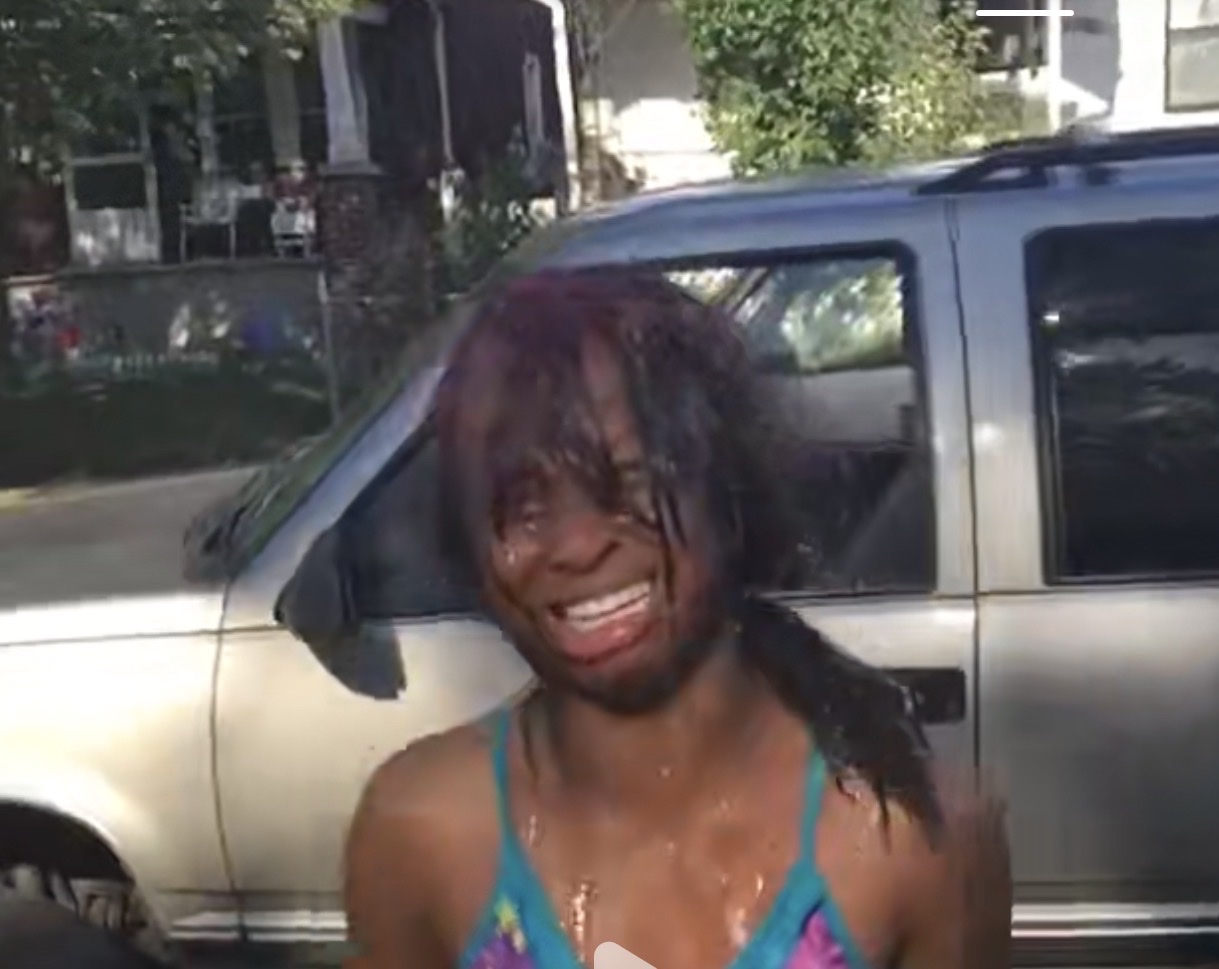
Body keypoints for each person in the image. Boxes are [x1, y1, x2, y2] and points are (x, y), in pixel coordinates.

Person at [344, 269, 1011, 969]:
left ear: (726, 491)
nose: (577, 545)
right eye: (522, 506)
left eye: (626, 484)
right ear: (469, 549)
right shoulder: (423, 832)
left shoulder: (911, 835)